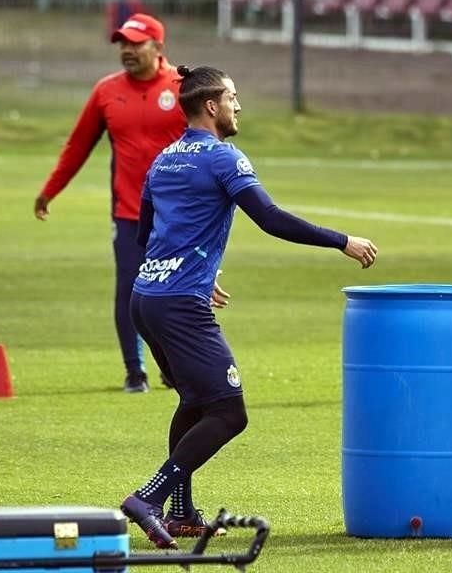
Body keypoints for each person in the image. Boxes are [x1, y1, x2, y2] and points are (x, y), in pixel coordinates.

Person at [119, 65, 378, 549]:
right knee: (229, 413)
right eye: (233, 98)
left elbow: (143, 236)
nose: (239, 106)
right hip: (179, 305)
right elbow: (271, 218)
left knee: (195, 401)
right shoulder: (223, 158)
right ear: (212, 106)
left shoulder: (163, 160)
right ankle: (149, 498)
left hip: (146, 298)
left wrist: (197, 271)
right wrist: (342, 240)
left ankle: (181, 513)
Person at [34, 13, 186, 393]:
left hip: (181, 215)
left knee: (180, 294)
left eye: (135, 43)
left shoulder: (184, 87)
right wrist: (50, 190)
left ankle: (174, 368)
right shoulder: (106, 91)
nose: (127, 50)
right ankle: (136, 373)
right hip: (131, 214)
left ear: (158, 47)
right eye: (122, 43)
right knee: (131, 292)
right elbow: (78, 145)